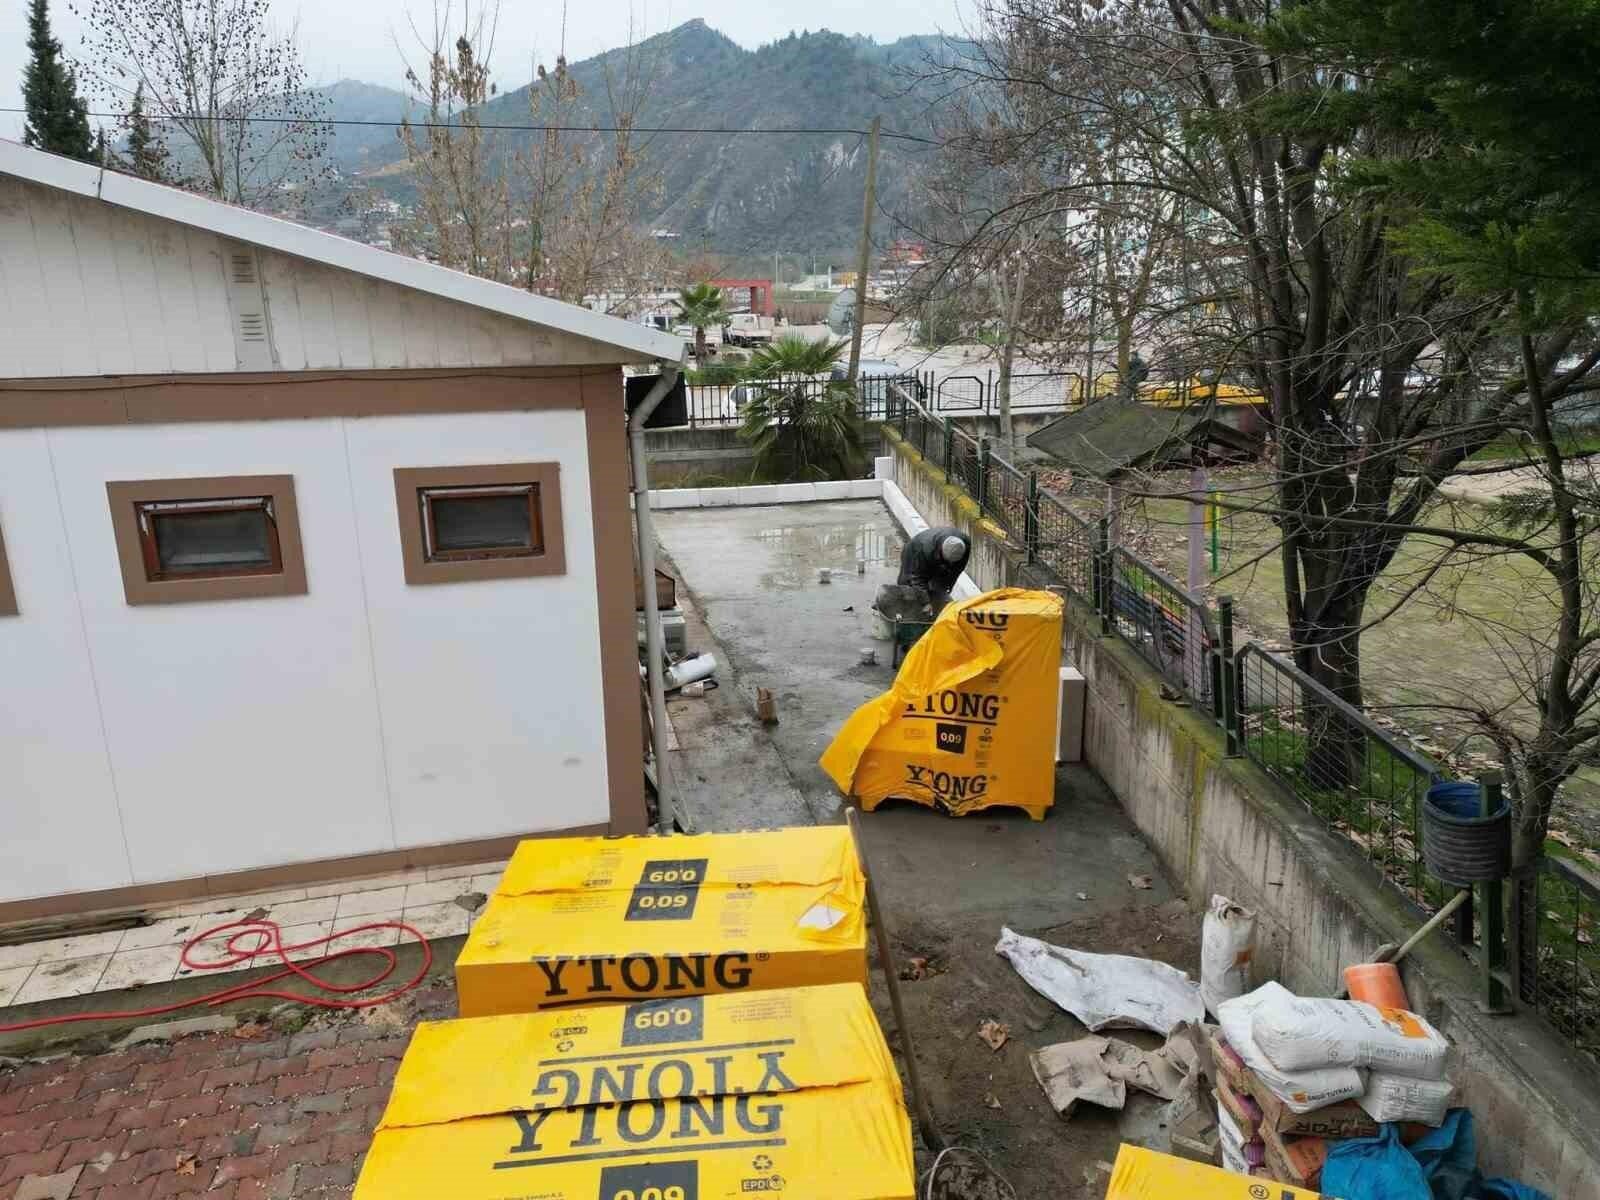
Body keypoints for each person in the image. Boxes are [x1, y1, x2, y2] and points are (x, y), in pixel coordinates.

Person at [898, 526, 972, 611]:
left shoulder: (965, 544)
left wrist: (947, 586)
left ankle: (932, 608)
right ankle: (905, 609)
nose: (951, 564)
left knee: (937, 589)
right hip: (913, 552)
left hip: (935, 554)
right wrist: (925, 603)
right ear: (941, 551)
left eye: (953, 562)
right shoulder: (924, 549)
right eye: (949, 561)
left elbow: (957, 569)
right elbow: (917, 578)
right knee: (907, 584)